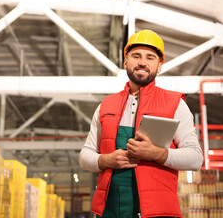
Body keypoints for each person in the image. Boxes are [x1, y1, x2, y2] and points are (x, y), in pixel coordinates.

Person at [79, 29, 203, 218]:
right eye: (136, 56)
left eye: (150, 57)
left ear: (159, 66)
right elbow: (85, 155)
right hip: (112, 210)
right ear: (126, 62)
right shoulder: (106, 105)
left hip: (158, 211)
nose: (143, 62)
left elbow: (195, 158)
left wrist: (156, 153)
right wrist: (105, 160)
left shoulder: (175, 104)